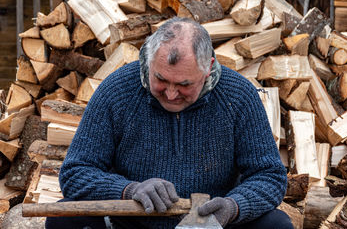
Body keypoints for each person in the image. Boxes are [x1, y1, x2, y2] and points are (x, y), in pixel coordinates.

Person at [46, 17, 293, 229]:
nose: (171, 94)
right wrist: (130, 190)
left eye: (185, 85)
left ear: (208, 68)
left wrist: (233, 207)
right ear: (150, 61)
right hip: (131, 223)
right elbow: (75, 172)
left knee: (277, 224)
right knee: (64, 218)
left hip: (211, 225)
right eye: (161, 79)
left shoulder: (238, 96)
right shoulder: (117, 90)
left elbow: (269, 175)